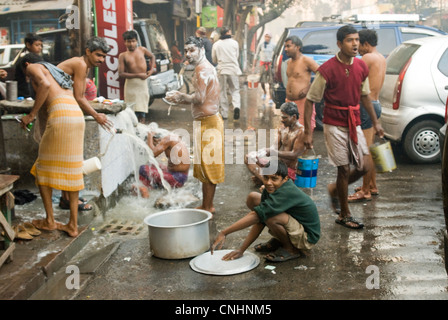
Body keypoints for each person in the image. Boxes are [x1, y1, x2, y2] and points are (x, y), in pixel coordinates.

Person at [303, 25, 384, 230]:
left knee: (365, 166)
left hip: (354, 120)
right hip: (334, 123)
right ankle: (345, 215)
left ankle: (334, 190)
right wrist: (307, 131)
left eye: (357, 39)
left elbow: (365, 96)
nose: (355, 43)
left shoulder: (361, 67)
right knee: (344, 169)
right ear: (340, 44)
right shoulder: (327, 69)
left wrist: (376, 122)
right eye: (350, 40)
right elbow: (311, 100)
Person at [19, 53, 85, 237]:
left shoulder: (33, 66)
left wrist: (30, 115)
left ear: (26, 64)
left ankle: (50, 221)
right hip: (76, 117)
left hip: (62, 116)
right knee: (72, 171)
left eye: (25, 73)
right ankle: (72, 225)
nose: (28, 76)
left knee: (41, 168)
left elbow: (45, 86)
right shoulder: (54, 71)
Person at [211, 160, 320, 262]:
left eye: (274, 178)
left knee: (271, 217)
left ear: (285, 179)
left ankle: (290, 249)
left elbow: (257, 216)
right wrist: (241, 250)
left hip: (307, 237)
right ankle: (281, 240)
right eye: (266, 177)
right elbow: (260, 221)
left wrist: (224, 232)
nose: (268, 182)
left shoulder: (286, 192)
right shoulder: (271, 188)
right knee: (253, 198)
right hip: (296, 224)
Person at [165, 36, 224, 214]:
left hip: (210, 123)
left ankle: (209, 206)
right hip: (207, 121)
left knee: (209, 167)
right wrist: (179, 100)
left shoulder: (202, 69)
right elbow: (201, 101)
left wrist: (180, 96)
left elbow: (199, 98)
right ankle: (207, 205)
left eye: (192, 50)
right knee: (206, 166)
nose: (188, 54)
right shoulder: (204, 67)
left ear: (201, 50)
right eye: (186, 51)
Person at [57, 36, 114, 210]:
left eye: (104, 57)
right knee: (70, 158)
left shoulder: (83, 65)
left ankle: (66, 198)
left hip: (63, 111)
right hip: (61, 113)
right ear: (88, 51)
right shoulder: (81, 64)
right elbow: (79, 97)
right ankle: (69, 200)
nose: (101, 60)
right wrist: (97, 115)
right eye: (98, 55)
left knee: (67, 158)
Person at [348, 29, 386, 203]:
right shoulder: (381, 58)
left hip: (366, 106)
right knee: (369, 148)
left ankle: (365, 190)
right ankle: (372, 185)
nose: (357, 48)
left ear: (365, 44)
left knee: (366, 150)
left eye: (358, 44)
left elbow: (355, 80)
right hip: (376, 104)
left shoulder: (367, 58)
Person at [245, 101, 306, 185]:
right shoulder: (283, 129)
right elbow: (274, 147)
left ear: (294, 117)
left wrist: (273, 152)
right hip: (279, 166)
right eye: (281, 117)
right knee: (249, 158)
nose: (282, 120)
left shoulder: (301, 132)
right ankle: (266, 180)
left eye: (285, 117)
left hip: (291, 170)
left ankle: (265, 181)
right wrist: (262, 152)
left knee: (262, 172)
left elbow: (294, 155)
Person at [118, 30, 155, 123]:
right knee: (131, 112)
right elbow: (121, 73)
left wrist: (151, 70)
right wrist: (138, 75)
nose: (131, 44)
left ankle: (141, 130)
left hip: (142, 85)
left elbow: (152, 57)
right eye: (128, 41)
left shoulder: (142, 50)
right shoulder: (123, 56)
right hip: (131, 85)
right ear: (125, 42)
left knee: (142, 111)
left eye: (133, 41)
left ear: (137, 41)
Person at [284, 35, 319, 130]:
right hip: (289, 103)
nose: (286, 49)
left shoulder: (306, 60)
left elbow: (322, 74)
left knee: (304, 132)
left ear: (297, 47)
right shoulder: (289, 62)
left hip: (303, 102)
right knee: (290, 133)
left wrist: (308, 88)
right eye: (285, 47)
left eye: (288, 46)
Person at [212, 26, 242, 120]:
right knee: (235, 90)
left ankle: (224, 114)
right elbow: (236, 56)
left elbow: (214, 59)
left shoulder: (216, 45)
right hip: (233, 69)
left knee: (222, 91)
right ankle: (236, 106)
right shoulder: (235, 43)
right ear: (228, 32)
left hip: (221, 70)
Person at [14, 33, 43, 98]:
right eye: (37, 45)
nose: (40, 48)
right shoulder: (28, 58)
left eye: (41, 45)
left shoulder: (34, 56)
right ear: (28, 45)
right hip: (25, 92)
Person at [253, 32, 276, 101]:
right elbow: (256, 54)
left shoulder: (273, 45)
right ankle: (264, 92)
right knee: (262, 81)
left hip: (270, 64)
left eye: (268, 37)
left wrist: (275, 65)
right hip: (262, 64)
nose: (267, 38)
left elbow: (276, 54)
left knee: (270, 81)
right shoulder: (261, 45)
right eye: (266, 37)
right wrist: (253, 65)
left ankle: (271, 97)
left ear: (270, 38)